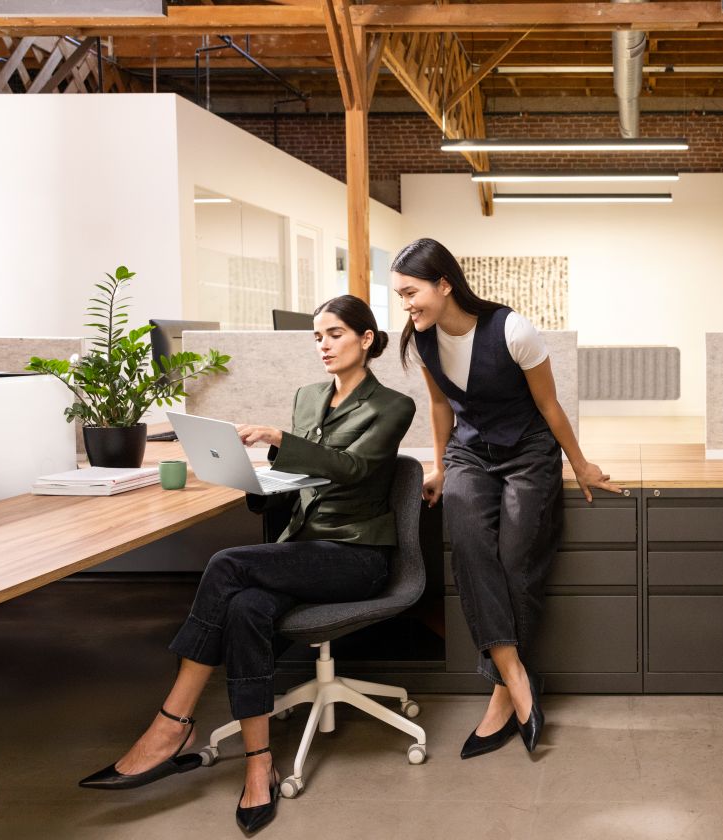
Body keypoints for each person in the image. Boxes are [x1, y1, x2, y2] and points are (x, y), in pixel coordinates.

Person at [79, 295, 414, 835]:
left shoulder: (393, 405)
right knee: (246, 607)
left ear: (366, 339)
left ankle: (172, 724)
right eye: (317, 337)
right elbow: (306, 481)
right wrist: (254, 480)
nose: (323, 345)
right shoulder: (308, 396)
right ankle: (259, 764)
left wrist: (281, 440)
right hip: (302, 549)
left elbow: (353, 468)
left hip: (355, 555)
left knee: (226, 564)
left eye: (334, 334)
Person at [392, 238, 620, 759]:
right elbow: (439, 407)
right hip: (470, 454)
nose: (405, 305)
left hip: (527, 451)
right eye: (400, 295)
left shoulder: (511, 329)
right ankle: (516, 676)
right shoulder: (421, 338)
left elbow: (549, 404)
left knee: (517, 561)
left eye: (411, 292)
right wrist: (441, 466)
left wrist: (580, 463)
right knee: (470, 547)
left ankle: (499, 693)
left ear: (444, 283)